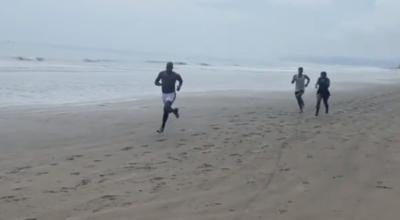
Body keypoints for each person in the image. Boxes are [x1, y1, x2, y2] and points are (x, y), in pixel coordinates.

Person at [154, 62, 183, 133]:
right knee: (165, 112)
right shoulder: (161, 74)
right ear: (166, 67)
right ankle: (163, 127)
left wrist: (179, 86)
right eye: (167, 68)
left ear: (172, 68)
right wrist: (160, 84)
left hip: (171, 94)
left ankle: (173, 111)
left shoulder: (175, 75)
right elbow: (155, 82)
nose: (168, 69)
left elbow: (181, 80)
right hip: (164, 94)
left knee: (166, 107)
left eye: (170, 68)